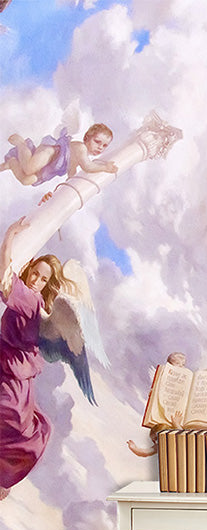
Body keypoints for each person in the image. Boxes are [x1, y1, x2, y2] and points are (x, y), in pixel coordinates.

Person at [0, 218, 71, 499]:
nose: (36, 281)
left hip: (17, 370)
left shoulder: (33, 300)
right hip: (10, 366)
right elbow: (9, 273)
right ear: (29, 270)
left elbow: (5, 280)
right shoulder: (27, 293)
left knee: (22, 424)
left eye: (43, 279)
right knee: (16, 422)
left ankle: (3, 477)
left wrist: (9, 235)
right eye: (35, 274)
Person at [1, 123, 118, 187]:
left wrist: (70, 183)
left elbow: (71, 171)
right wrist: (105, 167)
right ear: (87, 137)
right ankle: (21, 144)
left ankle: (12, 163)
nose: (100, 147)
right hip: (51, 153)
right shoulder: (81, 148)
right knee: (29, 168)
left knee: (27, 180)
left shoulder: (80, 157)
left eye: (104, 145)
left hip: (50, 168)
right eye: (97, 142)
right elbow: (87, 166)